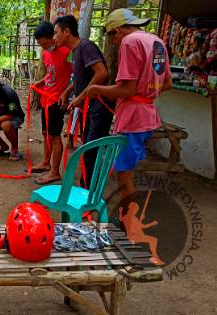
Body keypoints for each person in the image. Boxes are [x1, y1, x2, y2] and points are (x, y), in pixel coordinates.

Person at [86, 8, 172, 208]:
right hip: (147, 116)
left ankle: (128, 223)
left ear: (117, 31)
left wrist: (98, 89)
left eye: (111, 38)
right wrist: (146, 92)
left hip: (133, 119)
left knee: (124, 178)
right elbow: (167, 83)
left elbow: (127, 89)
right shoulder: (157, 42)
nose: (114, 44)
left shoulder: (129, 42)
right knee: (127, 173)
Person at [53, 15, 114, 187]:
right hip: (90, 106)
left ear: (66, 32)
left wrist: (80, 97)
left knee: (91, 150)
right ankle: (86, 188)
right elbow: (81, 79)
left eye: (56, 32)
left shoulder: (86, 46)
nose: (54, 37)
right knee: (87, 147)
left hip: (100, 106)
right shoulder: (76, 51)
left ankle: (89, 193)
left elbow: (102, 73)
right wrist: (67, 91)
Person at [32, 21, 73, 185]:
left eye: (45, 43)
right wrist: (40, 82)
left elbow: (79, 78)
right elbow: (51, 74)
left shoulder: (67, 52)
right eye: (40, 44)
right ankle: (45, 162)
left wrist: (66, 93)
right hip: (46, 99)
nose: (43, 47)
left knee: (55, 137)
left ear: (54, 37)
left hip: (57, 101)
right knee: (45, 133)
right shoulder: (46, 54)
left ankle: (55, 172)